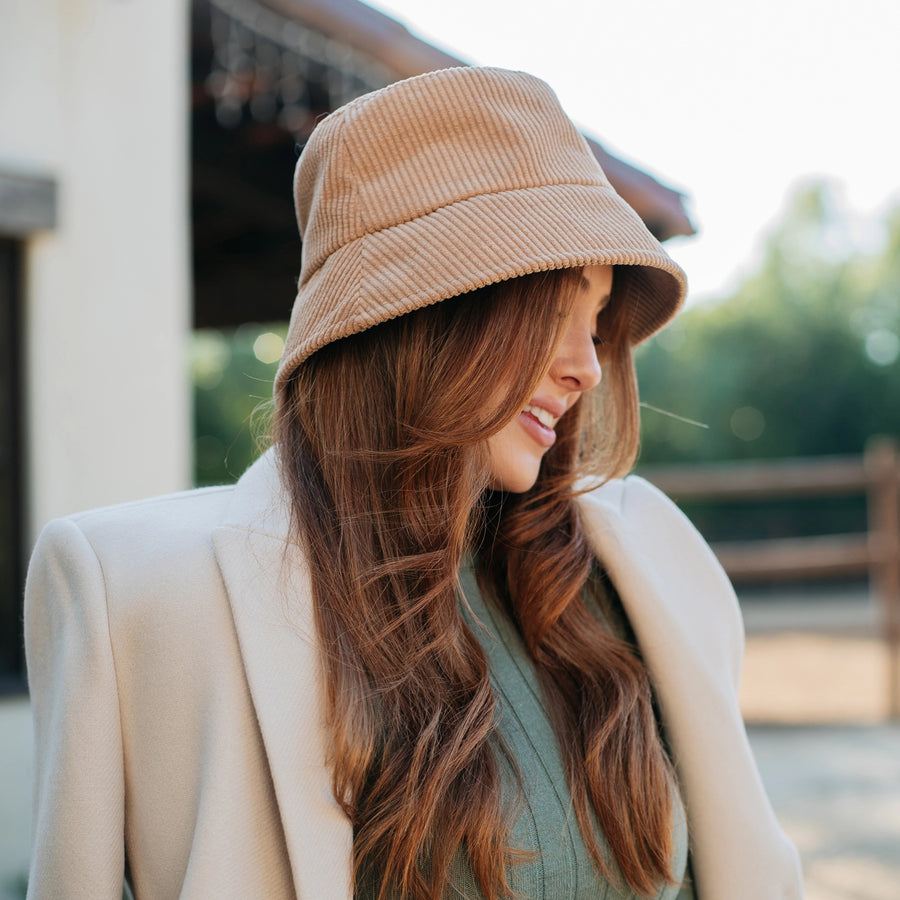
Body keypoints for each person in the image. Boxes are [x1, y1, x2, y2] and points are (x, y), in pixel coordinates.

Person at [24, 67, 803, 900]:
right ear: (434, 312)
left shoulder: (643, 560)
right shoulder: (133, 593)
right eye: (557, 311)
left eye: (599, 323)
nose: (588, 369)